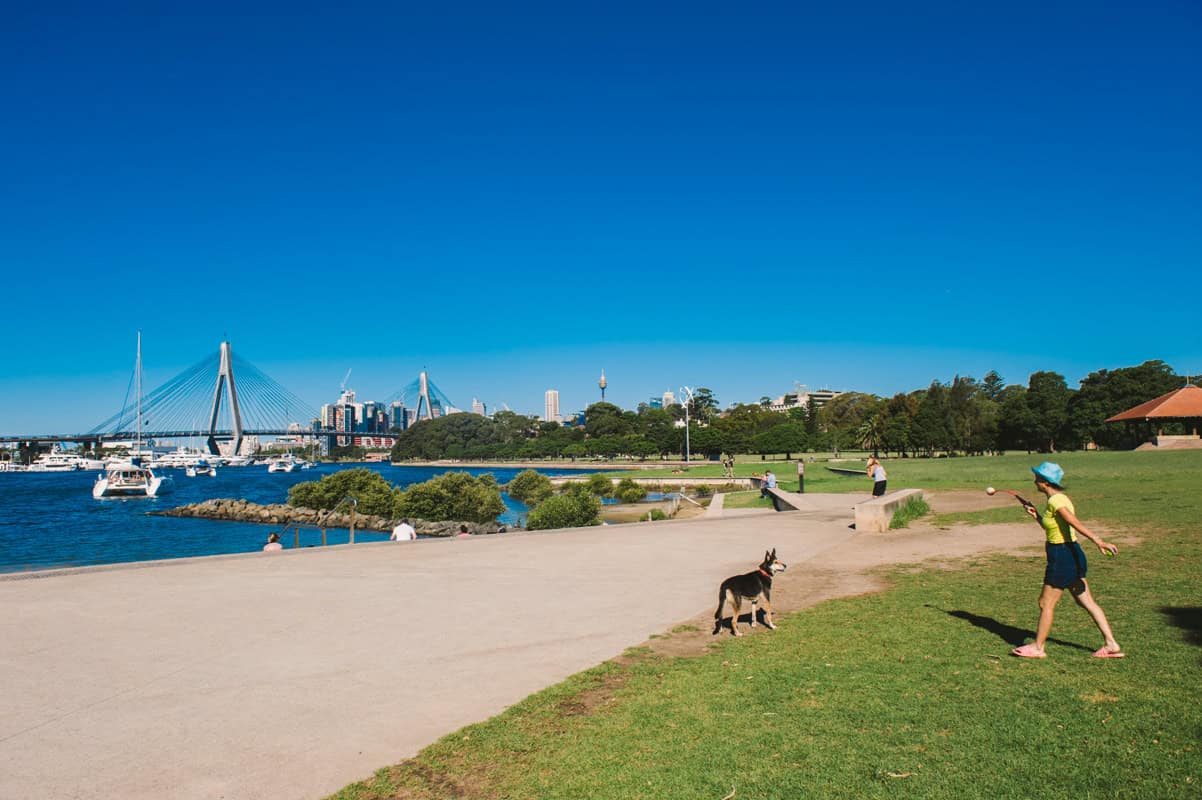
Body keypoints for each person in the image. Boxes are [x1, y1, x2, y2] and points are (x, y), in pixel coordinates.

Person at [1011, 461, 1123, 659]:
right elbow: (1054, 527)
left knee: (1046, 603)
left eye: (1037, 477)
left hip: (1062, 557)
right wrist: (1036, 515)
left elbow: (1072, 521)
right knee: (1086, 601)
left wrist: (1099, 541)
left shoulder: (1056, 501)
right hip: (1072, 553)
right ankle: (1111, 643)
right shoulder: (1059, 499)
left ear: (1045, 482)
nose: (1034, 480)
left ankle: (1038, 647)